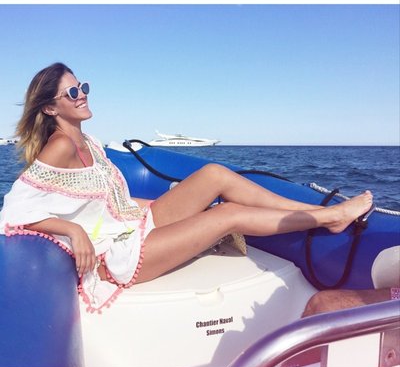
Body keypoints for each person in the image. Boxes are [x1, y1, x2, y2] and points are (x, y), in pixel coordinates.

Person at [0, 63, 374, 313]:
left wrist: (175, 201)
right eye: (71, 93)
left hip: (132, 225)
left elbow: (112, 200)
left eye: (82, 86)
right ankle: (329, 218)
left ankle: (317, 211)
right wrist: (72, 229)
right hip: (117, 256)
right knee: (228, 215)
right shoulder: (60, 146)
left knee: (213, 174)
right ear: (50, 109)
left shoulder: (90, 143)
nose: (82, 94)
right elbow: (13, 209)